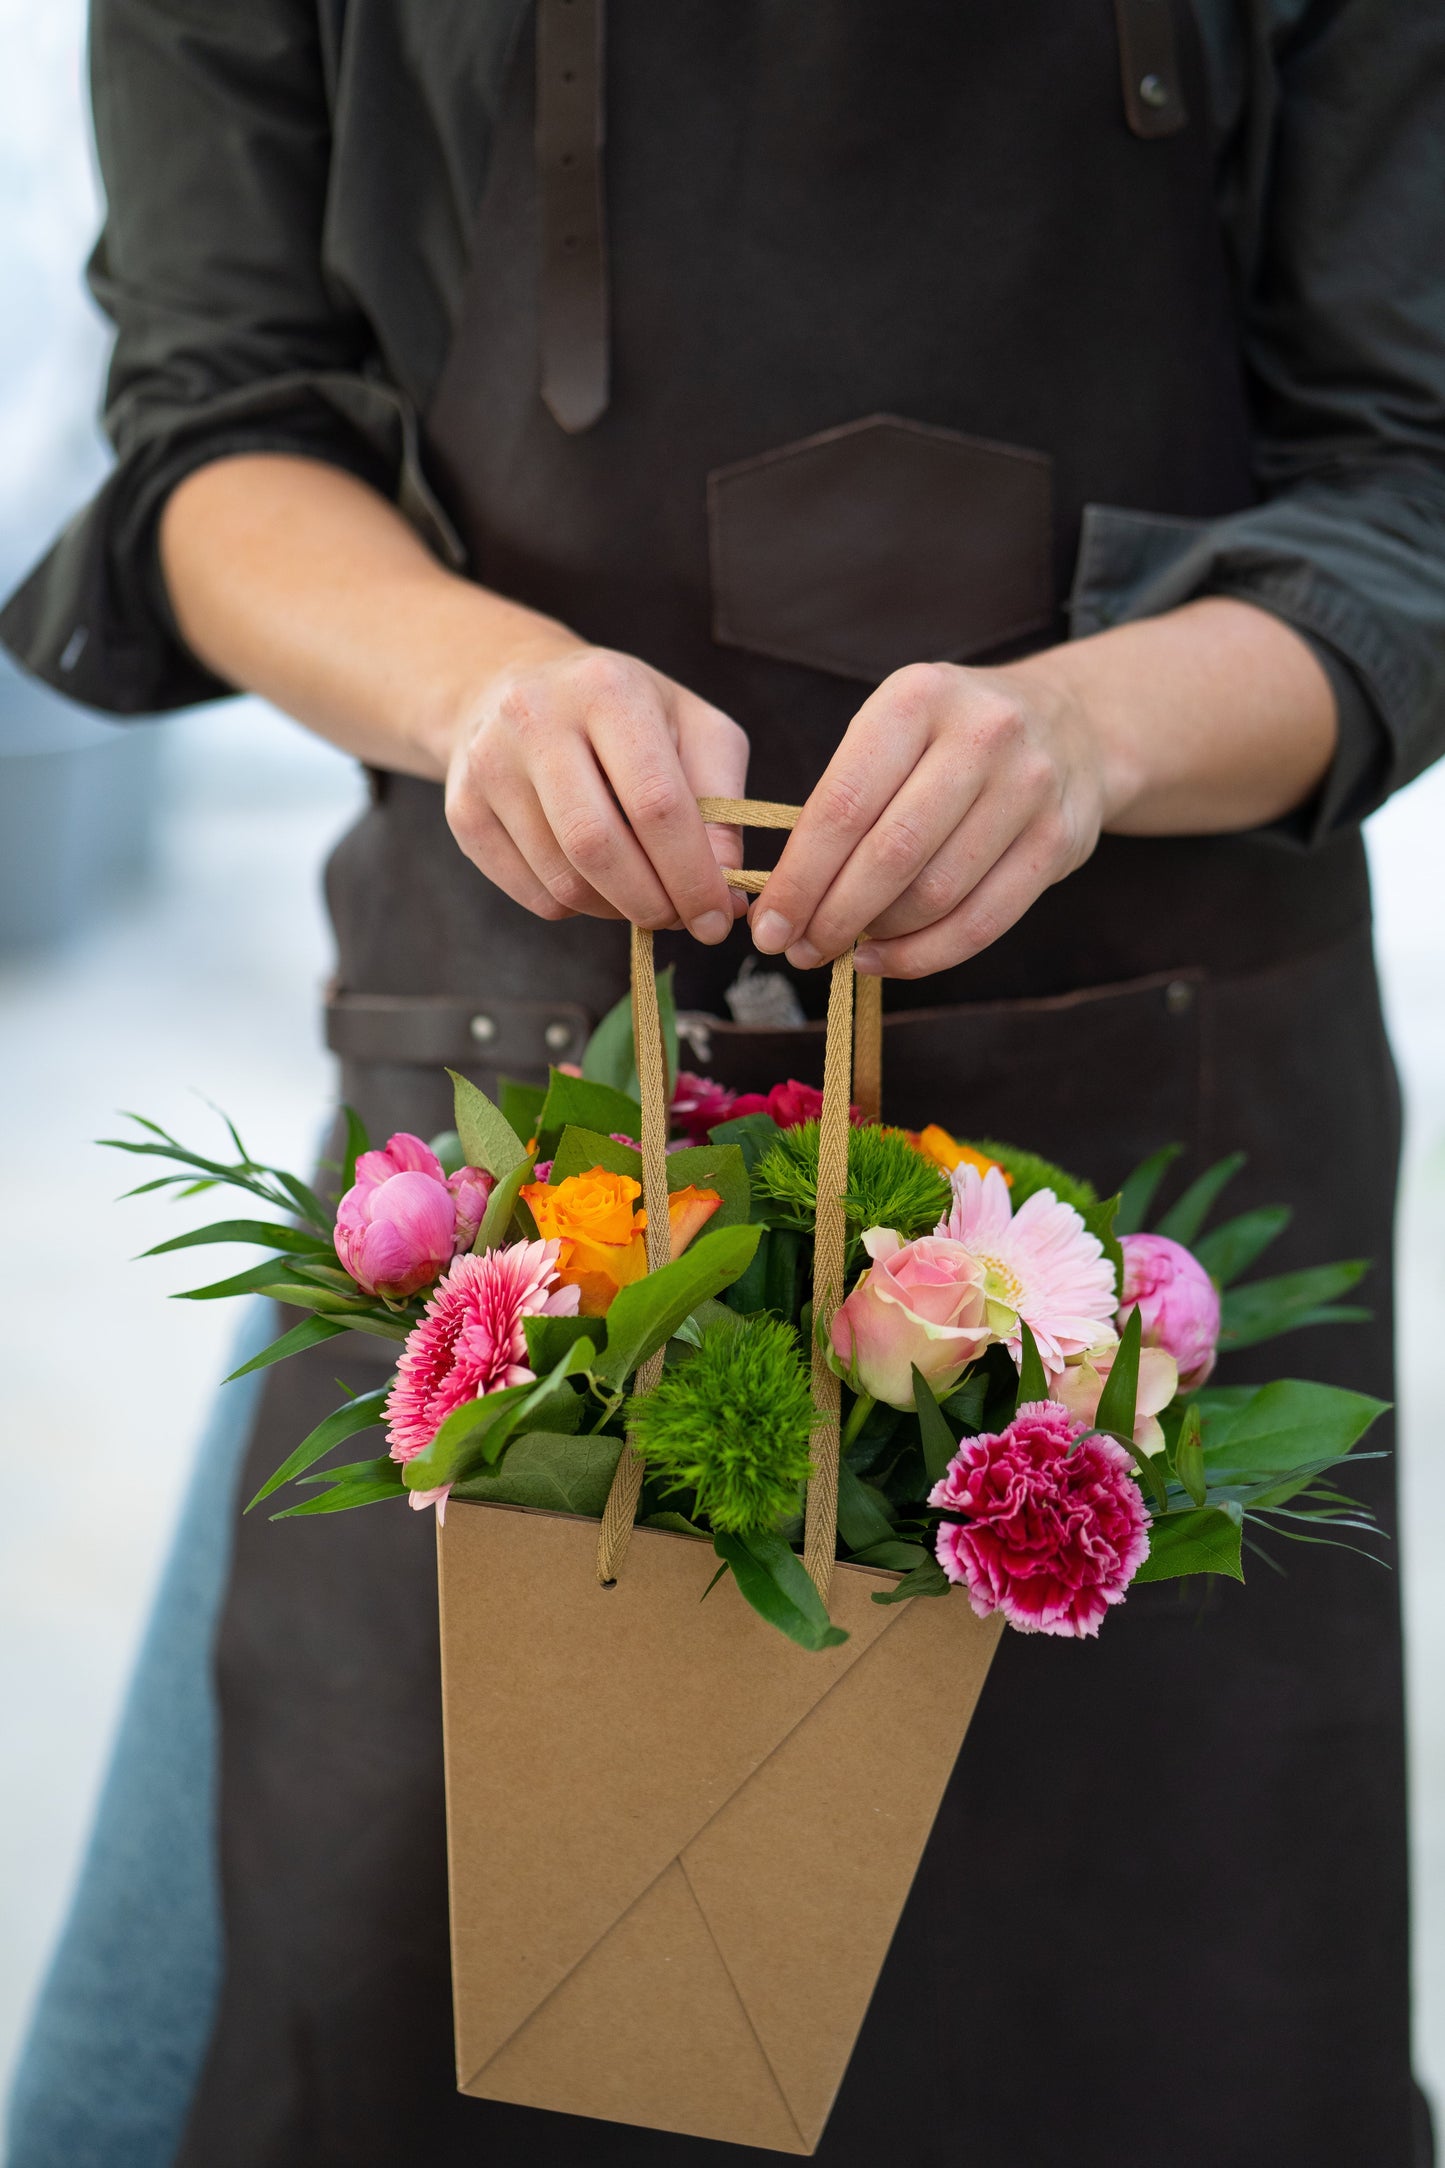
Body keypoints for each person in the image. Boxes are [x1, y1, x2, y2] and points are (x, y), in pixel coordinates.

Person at [5, 2, 1444, 2162]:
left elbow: (1408, 471)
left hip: (1150, 1100)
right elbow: (215, 419)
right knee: (370, 2035)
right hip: (515, 1073)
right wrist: (488, 693)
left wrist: (1093, 732)